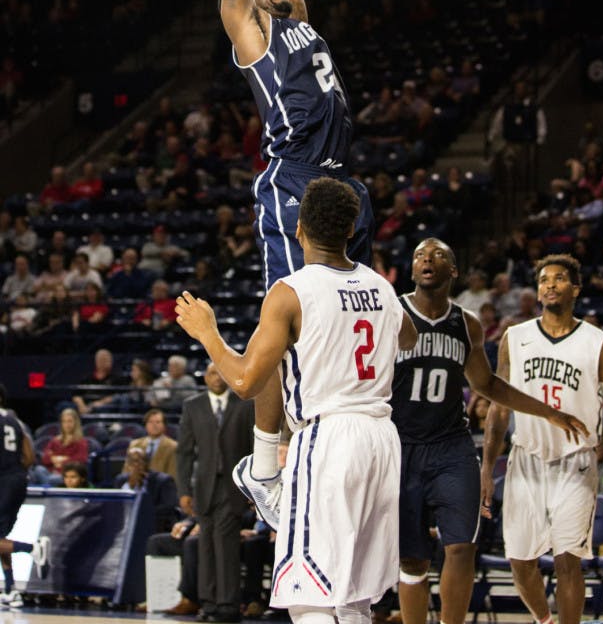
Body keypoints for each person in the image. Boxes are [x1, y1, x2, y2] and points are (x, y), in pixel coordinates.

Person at [168, 0, 375, 502]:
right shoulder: (250, 31)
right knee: (285, 322)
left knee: (340, 317)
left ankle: (324, 433)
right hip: (294, 185)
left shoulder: (296, 13)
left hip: (342, 184)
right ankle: (264, 467)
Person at [174, 176, 419, 624]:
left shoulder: (291, 291)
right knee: (353, 597)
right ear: (351, 231)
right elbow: (409, 336)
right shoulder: (382, 287)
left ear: (299, 228)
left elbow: (247, 382)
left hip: (329, 439)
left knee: (309, 595)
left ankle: (264, 473)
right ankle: (264, 473)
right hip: (382, 440)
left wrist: (207, 333)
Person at [391, 239, 587, 624]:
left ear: (454, 272)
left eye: (439, 255)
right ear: (413, 270)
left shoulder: (467, 324)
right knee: (412, 559)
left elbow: (489, 385)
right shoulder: (390, 315)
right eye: (419, 256)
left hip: (451, 447)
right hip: (401, 446)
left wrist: (548, 412)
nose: (428, 259)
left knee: (461, 546)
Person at [480, 253, 603, 624]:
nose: (549, 284)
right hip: (525, 459)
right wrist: (486, 468)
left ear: (575, 288)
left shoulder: (599, 343)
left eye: (559, 278)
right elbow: (499, 409)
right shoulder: (514, 338)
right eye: (544, 279)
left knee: (568, 559)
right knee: (520, 560)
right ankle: (545, 621)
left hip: (576, 462)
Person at [177, 363, 255, 623]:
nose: (216, 377)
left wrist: (253, 489)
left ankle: (228, 606)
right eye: (211, 372)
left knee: (227, 546)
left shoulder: (245, 404)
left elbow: (254, 450)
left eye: (221, 372)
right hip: (203, 487)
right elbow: (185, 453)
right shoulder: (193, 405)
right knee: (205, 546)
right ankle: (208, 604)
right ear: (205, 377)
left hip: (233, 488)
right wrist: (184, 491)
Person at [0, 384, 49, 609]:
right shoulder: (15, 421)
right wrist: (15, 473)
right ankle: (11, 589)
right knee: (1, 539)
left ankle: (33, 549)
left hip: (3, 482)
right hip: (18, 480)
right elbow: (29, 456)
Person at [115, 446, 179, 533]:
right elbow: (115, 506)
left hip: (154, 525)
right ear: (127, 464)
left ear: (147, 463)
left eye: (141, 461)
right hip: (124, 525)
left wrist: (141, 514)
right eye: (133, 461)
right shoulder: (121, 480)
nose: (137, 465)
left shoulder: (163, 480)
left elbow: (168, 507)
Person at [40, 406, 89, 484]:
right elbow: (45, 458)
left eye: (70, 421)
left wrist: (61, 461)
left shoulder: (81, 442)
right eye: (64, 421)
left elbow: (81, 460)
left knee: (51, 480)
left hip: (67, 476)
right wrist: (55, 459)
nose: (67, 424)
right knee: (38, 470)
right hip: (51, 471)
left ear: (75, 423)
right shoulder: (55, 440)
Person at [128, 407, 178, 479]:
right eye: (150, 422)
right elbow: (127, 471)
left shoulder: (173, 447)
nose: (154, 425)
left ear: (164, 426)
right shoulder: (134, 444)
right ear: (145, 425)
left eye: (158, 422)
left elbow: (173, 474)